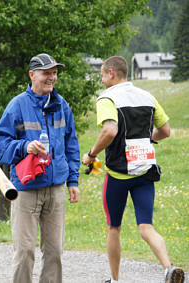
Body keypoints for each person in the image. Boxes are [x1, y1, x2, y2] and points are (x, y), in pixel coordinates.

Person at [82, 56, 185, 283]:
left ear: (111, 73)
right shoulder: (147, 96)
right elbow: (165, 131)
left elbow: (109, 131)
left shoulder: (107, 98)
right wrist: (147, 139)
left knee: (114, 228)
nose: (101, 79)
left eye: (101, 74)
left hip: (118, 173)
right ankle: (169, 267)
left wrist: (91, 154)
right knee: (146, 227)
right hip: (145, 170)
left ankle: (115, 280)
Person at [0, 53, 81, 283]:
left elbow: (72, 144)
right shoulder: (17, 105)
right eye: (46, 73)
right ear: (32, 74)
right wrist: (24, 146)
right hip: (26, 189)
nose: (51, 77)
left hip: (56, 189)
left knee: (55, 253)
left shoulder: (62, 106)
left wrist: (73, 181)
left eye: (54, 73)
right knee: (24, 252)